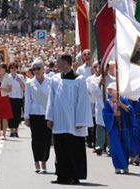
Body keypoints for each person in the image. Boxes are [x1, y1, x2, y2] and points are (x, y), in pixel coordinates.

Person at [46, 54, 93, 185]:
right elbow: (51, 99)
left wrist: (80, 121)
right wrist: (50, 117)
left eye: (59, 62)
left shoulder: (79, 79)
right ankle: (62, 175)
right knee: (60, 149)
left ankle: (74, 175)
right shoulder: (55, 79)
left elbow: (82, 101)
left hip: (73, 121)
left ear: (67, 63)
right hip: (59, 121)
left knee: (74, 149)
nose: (58, 65)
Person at [24, 60, 51, 173]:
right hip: (34, 114)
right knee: (36, 139)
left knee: (46, 139)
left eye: (38, 68)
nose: (36, 71)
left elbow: (52, 99)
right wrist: (26, 117)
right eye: (34, 69)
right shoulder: (29, 83)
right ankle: (36, 161)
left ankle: (44, 161)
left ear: (43, 69)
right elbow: (28, 101)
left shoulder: (50, 81)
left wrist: (52, 115)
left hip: (46, 114)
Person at [103, 83, 133, 174]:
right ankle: (118, 166)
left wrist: (121, 105)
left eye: (111, 89)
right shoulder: (108, 102)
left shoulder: (123, 99)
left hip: (124, 127)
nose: (109, 91)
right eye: (109, 90)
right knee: (116, 146)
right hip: (113, 127)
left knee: (126, 146)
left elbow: (130, 110)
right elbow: (105, 114)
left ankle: (125, 166)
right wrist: (113, 115)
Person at [0, 63, 13, 140]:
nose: (0, 69)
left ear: (5, 69)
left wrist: (2, 89)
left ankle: (3, 134)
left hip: (4, 97)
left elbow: (10, 89)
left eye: (1, 68)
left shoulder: (8, 77)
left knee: (4, 116)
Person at [8, 62, 25, 138]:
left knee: (17, 115)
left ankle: (16, 131)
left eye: (14, 68)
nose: (13, 70)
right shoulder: (8, 77)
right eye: (11, 68)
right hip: (10, 97)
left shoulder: (20, 77)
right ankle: (12, 131)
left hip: (18, 97)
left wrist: (20, 82)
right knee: (10, 115)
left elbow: (24, 88)